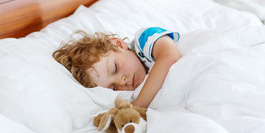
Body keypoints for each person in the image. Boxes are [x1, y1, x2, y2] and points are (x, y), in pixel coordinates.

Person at [52, 27, 181, 108]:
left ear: (118, 44)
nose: (121, 81)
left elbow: (170, 57)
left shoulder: (145, 39)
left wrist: (136, 108)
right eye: (113, 87)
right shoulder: (133, 94)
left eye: (115, 68)